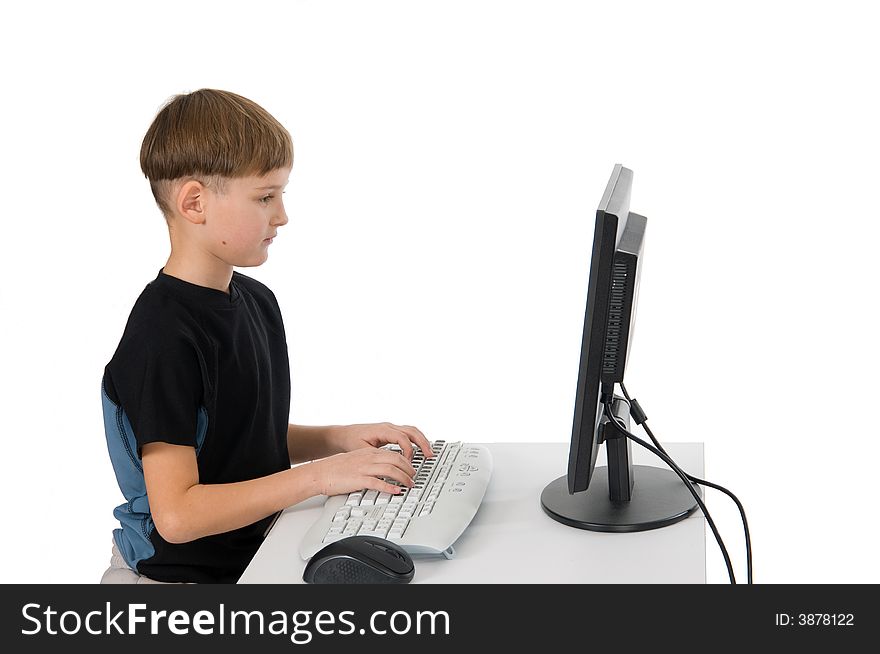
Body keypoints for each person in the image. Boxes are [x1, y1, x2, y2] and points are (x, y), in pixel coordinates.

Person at [100, 88, 432, 584]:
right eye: (264, 197)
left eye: (282, 195)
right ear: (195, 202)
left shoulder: (255, 301)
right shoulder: (161, 336)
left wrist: (334, 440)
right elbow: (178, 516)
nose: (281, 216)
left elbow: (236, 440)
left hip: (255, 557)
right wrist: (320, 477)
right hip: (173, 579)